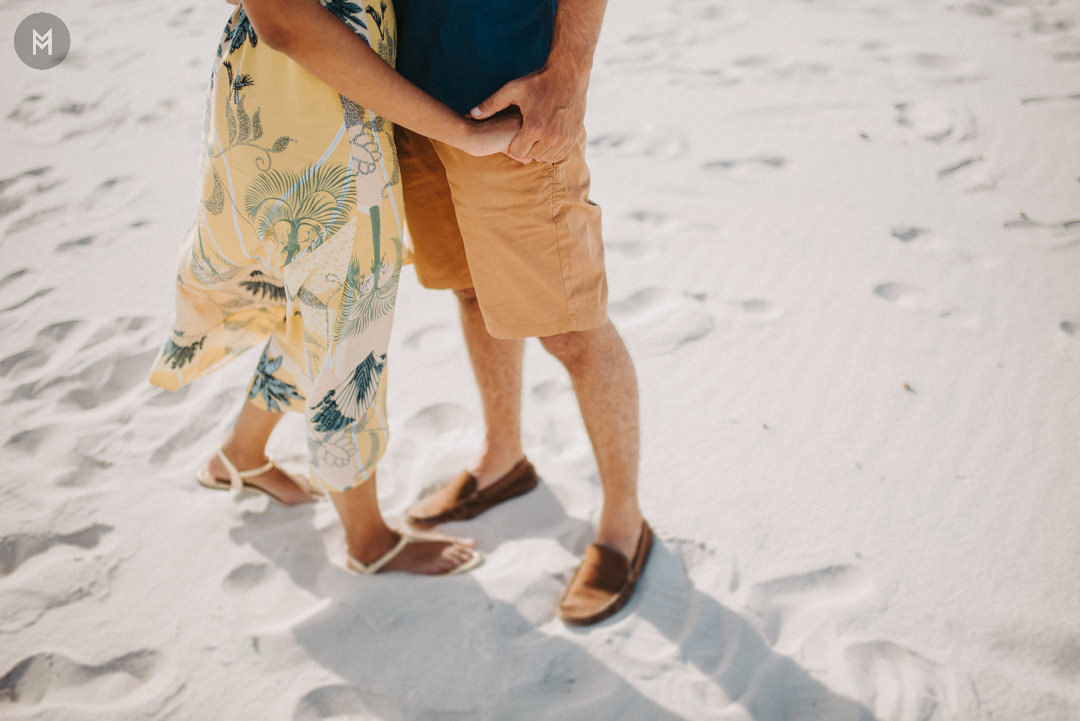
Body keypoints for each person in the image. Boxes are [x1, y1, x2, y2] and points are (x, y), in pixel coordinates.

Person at [148, 0, 522, 575]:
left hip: (272, 96)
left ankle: (240, 456)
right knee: (349, 328)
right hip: (317, 112)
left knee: (306, 304)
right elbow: (288, 22)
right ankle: (368, 540)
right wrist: (461, 134)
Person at [392, 0, 652, 625]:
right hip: (402, 94)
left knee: (571, 329)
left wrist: (569, 71)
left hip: (512, 102)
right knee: (472, 289)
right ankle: (502, 460)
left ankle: (624, 524)